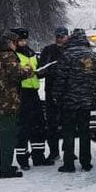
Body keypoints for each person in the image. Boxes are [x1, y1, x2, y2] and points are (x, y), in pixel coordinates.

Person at [53, 28, 96, 173]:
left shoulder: (67, 55)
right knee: (84, 132)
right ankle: (86, 162)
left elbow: (60, 78)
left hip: (69, 102)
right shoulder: (93, 56)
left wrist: (57, 96)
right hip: (87, 102)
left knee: (68, 132)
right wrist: (95, 97)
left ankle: (69, 163)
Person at [0, 30, 33, 178]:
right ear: (10, 42)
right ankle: (5, 169)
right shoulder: (8, 56)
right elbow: (17, 74)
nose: (16, 45)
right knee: (8, 136)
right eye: (15, 42)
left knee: (3, 134)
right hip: (8, 101)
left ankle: (6, 165)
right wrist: (28, 70)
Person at [12, 27, 55, 169]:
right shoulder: (13, 54)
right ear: (16, 41)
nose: (23, 42)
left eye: (25, 40)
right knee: (23, 128)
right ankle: (23, 160)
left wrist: (43, 71)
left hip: (33, 93)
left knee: (39, 126)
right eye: (21, 40)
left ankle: (38, 157)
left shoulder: (30, 53)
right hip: (20, 93)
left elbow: (37, 68)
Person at [38, 26, 69, 160]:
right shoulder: (48, 50)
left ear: (67, 37)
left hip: (68, 93)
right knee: (51, 125)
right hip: (51, 92)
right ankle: (54, 151)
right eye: (58, 36)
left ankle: (69, 152)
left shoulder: (71, 50)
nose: (60, 39)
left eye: (62, 36)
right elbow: (40, 70)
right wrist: (51, 68)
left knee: (68, 125)